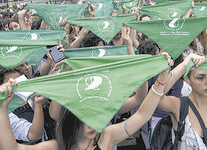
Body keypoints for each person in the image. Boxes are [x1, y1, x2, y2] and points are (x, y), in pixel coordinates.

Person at [0, 53, 173, 150]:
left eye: (96, 117)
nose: (93, 126)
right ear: (72, 119)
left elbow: (143, 114)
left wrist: (160, 78)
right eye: (85, 119)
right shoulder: (56, 147)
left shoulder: (107, 138)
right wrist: (2, 108)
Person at [158, 53, 206, 149]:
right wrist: (184, 65)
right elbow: (156, 96)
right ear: (187, 79)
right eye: (200, 78)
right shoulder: (179, 105)